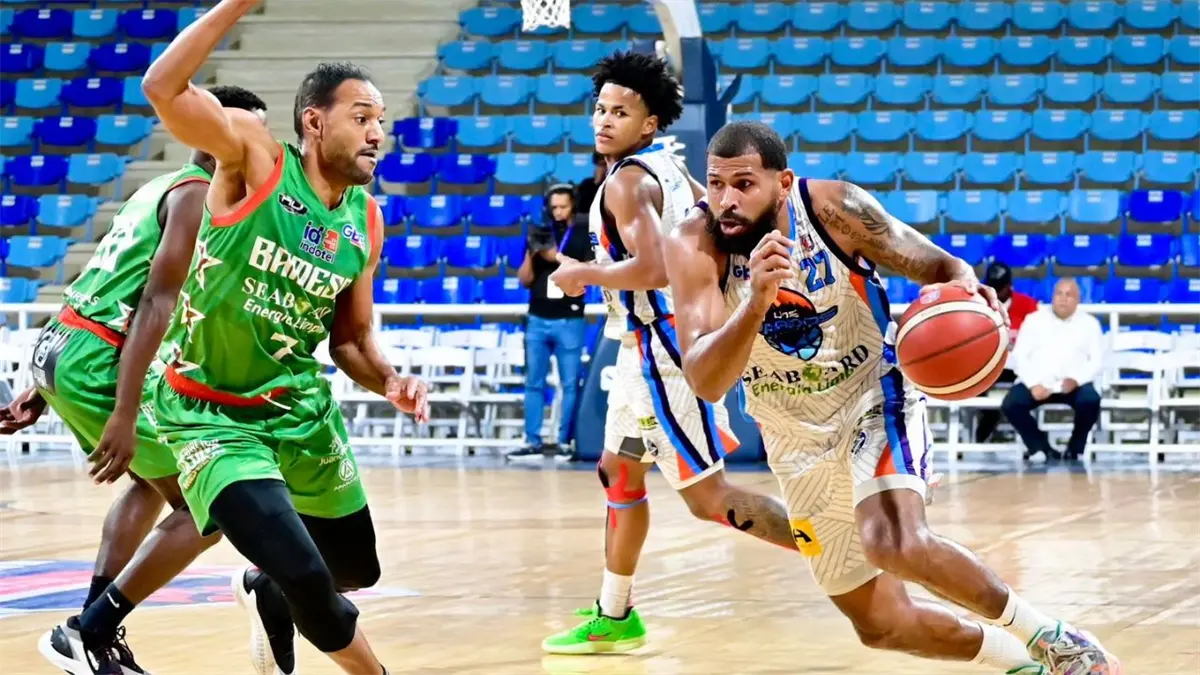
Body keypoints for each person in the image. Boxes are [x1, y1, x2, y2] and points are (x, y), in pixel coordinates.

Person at [663, 121, 1121, 675]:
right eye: (716, 184)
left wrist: (968, 297)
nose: (727, 201)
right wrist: (755, 301)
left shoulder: (833, 208)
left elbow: (940, 266)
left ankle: (1052, 638)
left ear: (782, 183)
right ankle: (1024, 664)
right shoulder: (695, 242)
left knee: (893, 542)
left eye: (744, 184)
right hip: (791, 436)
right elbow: (706, 380)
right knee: (880, 625)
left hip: (871, 399)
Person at [140, 1, 431, 673]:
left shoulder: (365, 220)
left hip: (297, 409)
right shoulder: (254, 156)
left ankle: (261, 586)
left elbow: (351, 340)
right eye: (362, 117)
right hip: (210, 413)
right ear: (313, 121)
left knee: (354, 569)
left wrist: (389, 378)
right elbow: (162, 87)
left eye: (381, 121)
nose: (377, 133)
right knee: (307, 578)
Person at [0, 86, 268, 675]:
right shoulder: (195, 197)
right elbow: (155, 302)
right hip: (98, 358)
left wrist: (43, 382)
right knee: (210, 507)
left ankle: (92, 628)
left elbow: (101, 279)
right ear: (214, 134)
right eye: (249, 132)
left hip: (65, 342)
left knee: (150, 485)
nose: (260, 147)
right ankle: (89, 630)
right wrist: (122, 412)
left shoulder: (159, 186)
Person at [541, 52, 799, 656]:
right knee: (619, 470)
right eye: (601, 108)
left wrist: (585, 273)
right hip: (643, 348)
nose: (604, 119)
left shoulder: (628, 181)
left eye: (620, 112)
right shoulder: (670, 167)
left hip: (663, 348)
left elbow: (656, 267)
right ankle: (615, 613)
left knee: (709, 500)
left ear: (649, 123)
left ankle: (842, 544)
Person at [508, 184, 592, 461]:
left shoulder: (582, 234)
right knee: (533, 383)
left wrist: (554, 255)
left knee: (569, 384)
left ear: (573, 205)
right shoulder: (540, 233)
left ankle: (564, 441)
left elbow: (587, 271)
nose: (557, 212)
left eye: (563, 207)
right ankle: (532, 441)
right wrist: (531, 255)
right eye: (553, 207)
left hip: (569, 319)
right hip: (537, 318)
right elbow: (525, 280)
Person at [1002, 278, 1104, 462]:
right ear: (1052, 297)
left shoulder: (1090, 324)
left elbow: (1096, 361)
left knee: (1091, 400)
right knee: (1011, 404)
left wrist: (1077, 380)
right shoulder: (1034, 320)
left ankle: (1075, 449)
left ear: (1078, 300)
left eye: (1069, 295)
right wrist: (1033, 384)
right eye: (1059, 294)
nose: (1063, 299)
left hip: (1072, 383)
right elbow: (1019, 357)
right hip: (1038, 382)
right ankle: (1041, 447)